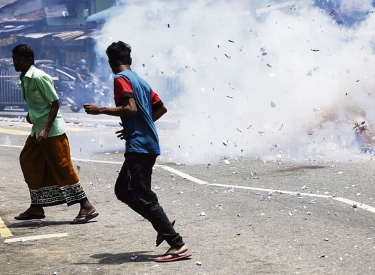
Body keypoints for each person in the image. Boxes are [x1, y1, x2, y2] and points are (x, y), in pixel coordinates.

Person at [84, 41, 190, 262]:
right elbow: (161, 107)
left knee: (143, 195)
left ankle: (177, 244)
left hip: (140, 146)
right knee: (123, 190)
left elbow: (130, 109)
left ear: (110, 64)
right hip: (145, 142)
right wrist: (139, 125)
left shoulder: (120, 79)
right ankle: (162, 225)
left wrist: (100, 109)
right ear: (129, 60)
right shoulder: (139, 80)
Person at [12, 44, 99, 224]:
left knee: (63, 166)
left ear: (29, 60)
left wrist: (45, 129)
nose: (15, 63)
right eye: (14, 59)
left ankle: (86, 205)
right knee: (28, 160)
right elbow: (39, 104)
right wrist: (33, 117)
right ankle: (36, 206)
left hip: (51, 131)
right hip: (38, 130)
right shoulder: (24, 78)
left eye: (18, 60)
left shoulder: (40, 77)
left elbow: (55, 104)